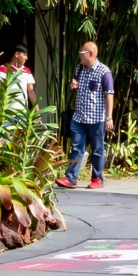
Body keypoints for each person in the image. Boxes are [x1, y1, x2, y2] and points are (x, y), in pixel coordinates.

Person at [57, 42, 115, 189]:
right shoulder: (79, 69)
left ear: (90, 54)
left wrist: (109, 117)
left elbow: (109, 95)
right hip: (79, 117)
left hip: (96, 119)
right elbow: (76, 85)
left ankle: (97, 178)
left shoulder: (104, 72)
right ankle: (71, 178)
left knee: (97, 149)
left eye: (81, 53)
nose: (79, 56)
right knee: (76, 148)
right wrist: (73, 85)